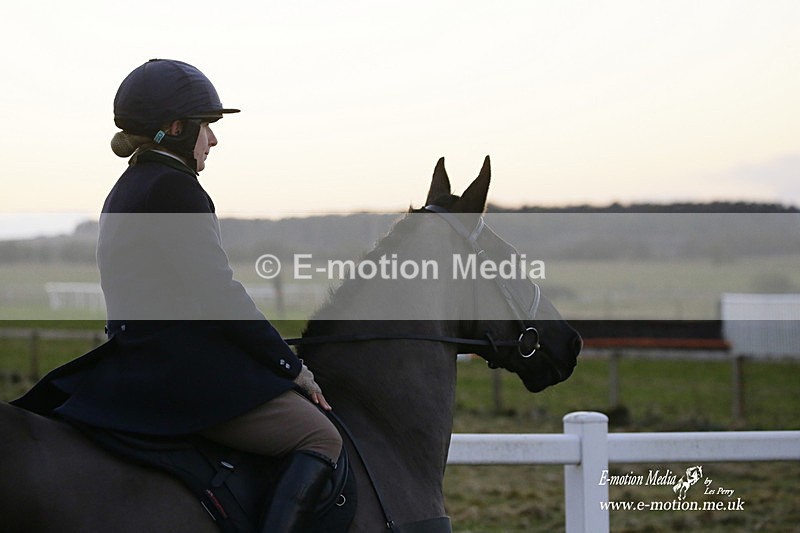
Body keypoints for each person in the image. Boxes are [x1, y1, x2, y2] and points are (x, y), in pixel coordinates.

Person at [13, 58, 342, 533]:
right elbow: (219, 295)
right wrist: (291, 367)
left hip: (131, 361)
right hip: (179, 375)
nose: (214, 140)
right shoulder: (175, 188)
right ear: (176, 128)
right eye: (207, 127)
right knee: (320, 437)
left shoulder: (126, 187)